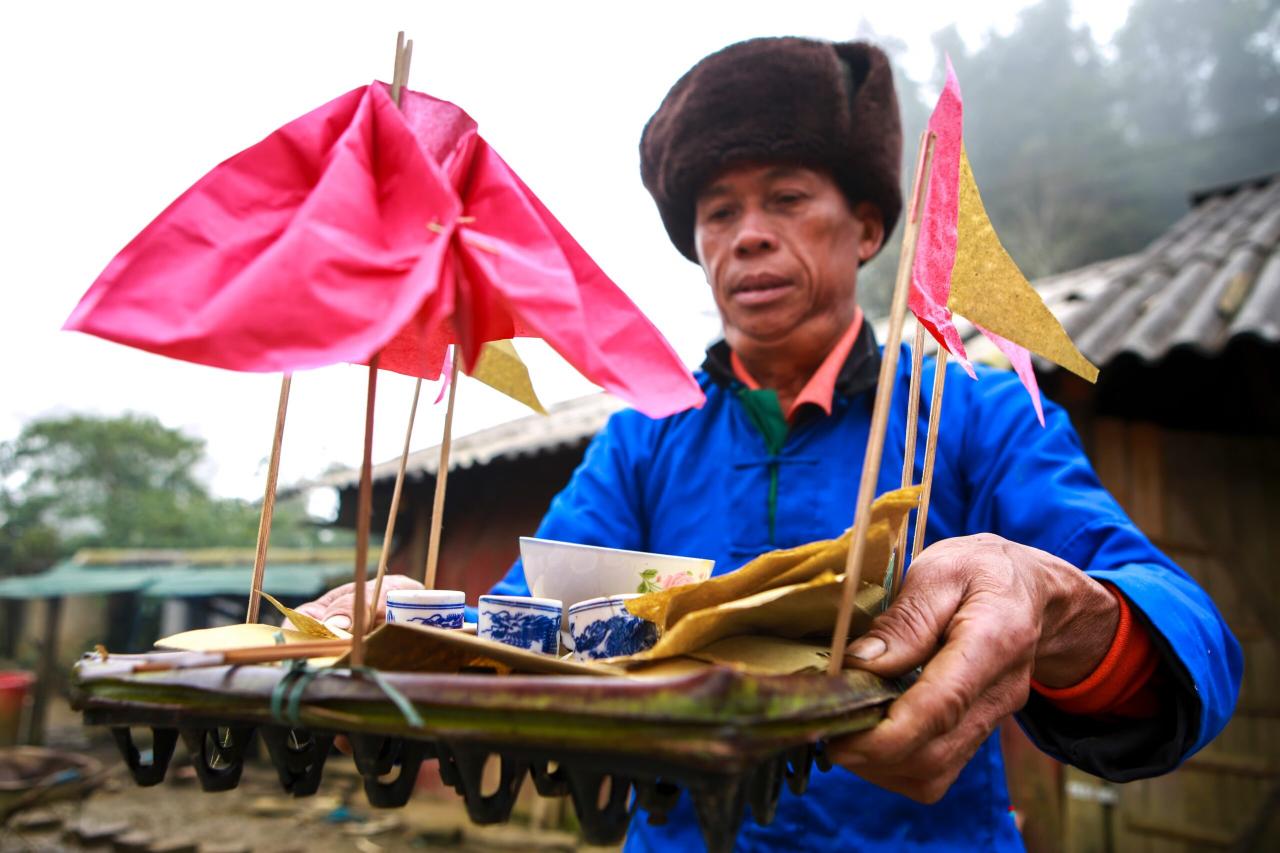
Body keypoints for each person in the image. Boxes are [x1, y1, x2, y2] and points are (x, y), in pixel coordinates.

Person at [299, 37, 1242, 850]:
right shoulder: (642, 437)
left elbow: (1189, 632)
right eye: (719, 212)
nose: (748, 237)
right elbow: (524, 625)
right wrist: (418, 630)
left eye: (787, 198)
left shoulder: (977, 416)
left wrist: (1060, 604)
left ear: (868, 227)